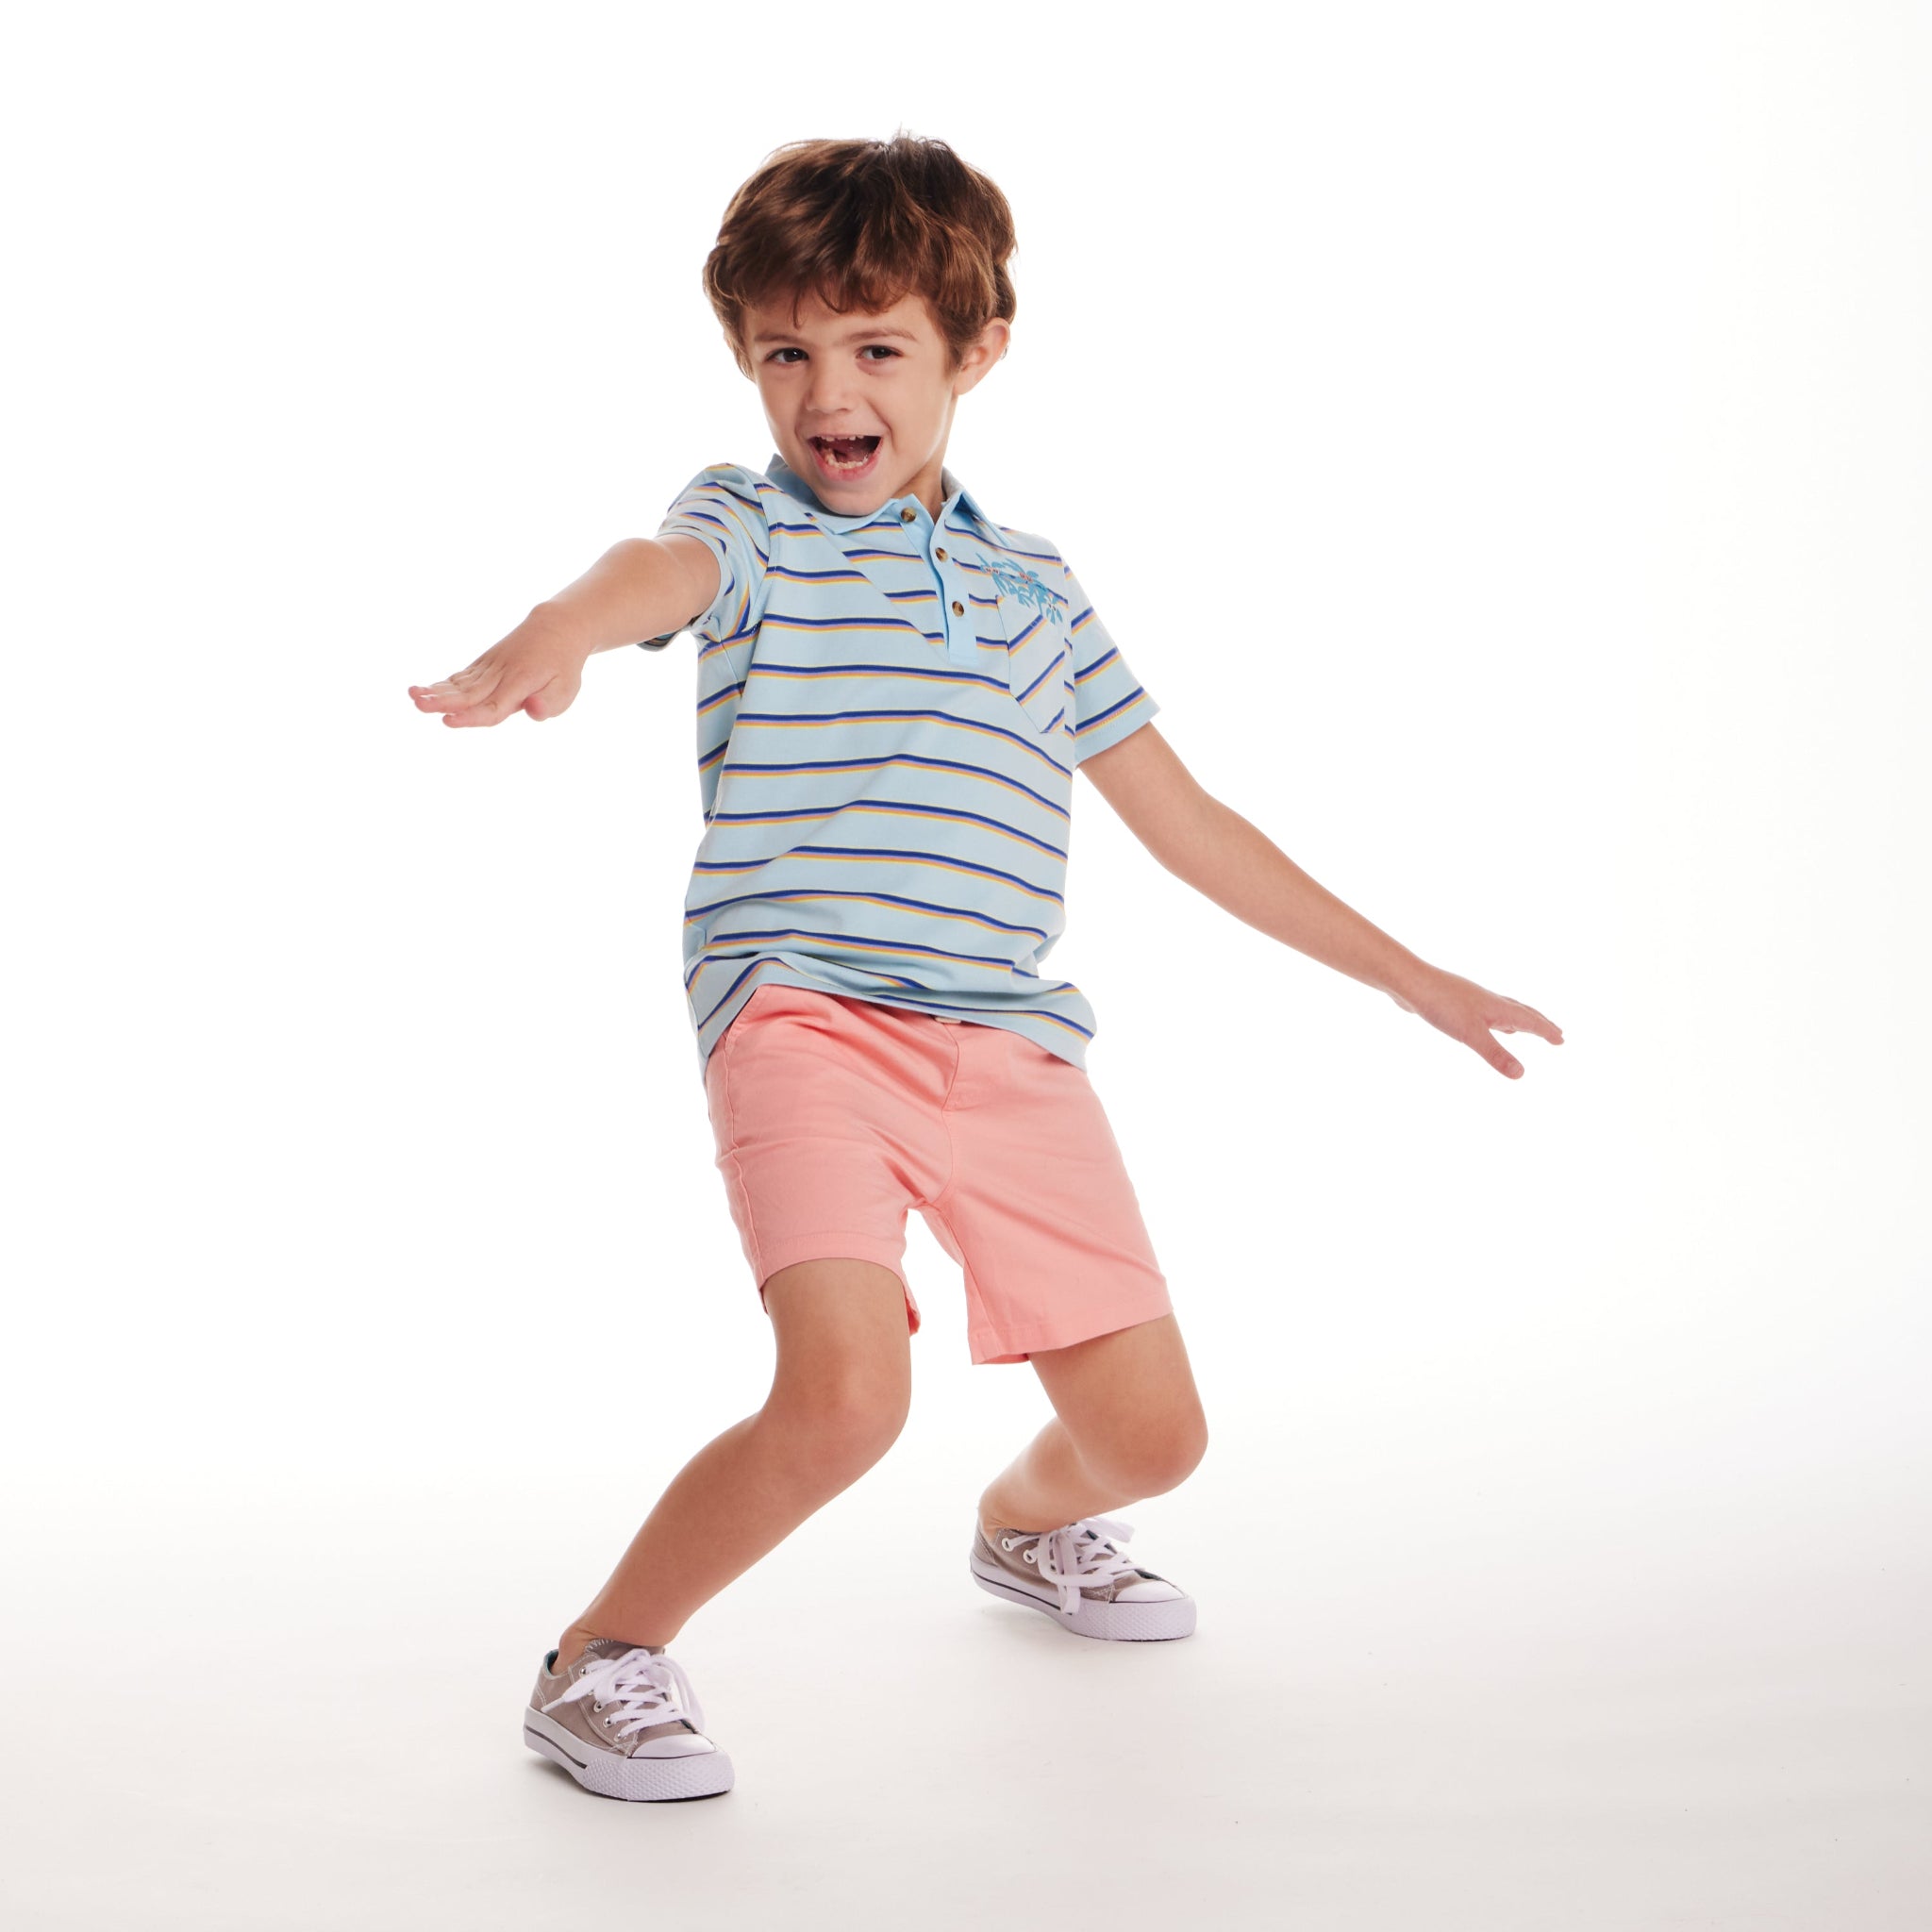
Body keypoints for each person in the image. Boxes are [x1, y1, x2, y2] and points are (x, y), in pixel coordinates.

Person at [407, 132, 1563, 1804]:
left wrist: (1412, 975)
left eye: (877, 349)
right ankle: (601, 1661)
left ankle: (1022, 1531)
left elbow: (1191, 823)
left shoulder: (1037, 593)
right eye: (785, 353)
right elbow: (651, 574)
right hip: (799, 1012)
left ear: (976, 352)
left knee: (1157, 1440)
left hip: (1010, 1047)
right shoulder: (750, 525)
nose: (827, 393)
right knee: (845, 1399)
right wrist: (558, 630)